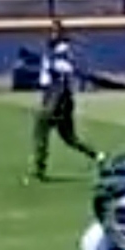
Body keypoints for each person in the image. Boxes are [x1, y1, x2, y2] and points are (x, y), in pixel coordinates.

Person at [29, 21, 103, 183]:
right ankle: (98, 156)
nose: (51, 35)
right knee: (70, 138)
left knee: (41, 127)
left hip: (57, 97)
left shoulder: (61, 51)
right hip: (57, 97)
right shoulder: (54, 51)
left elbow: (65, 70)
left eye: (54, 32)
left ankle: (39, 169)